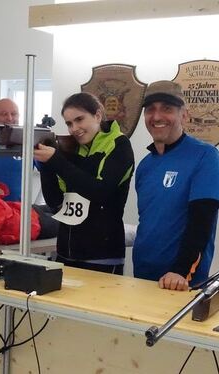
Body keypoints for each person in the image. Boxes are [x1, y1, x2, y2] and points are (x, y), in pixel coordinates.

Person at [132, 80, 219, 291]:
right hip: (142, 275)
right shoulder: (146, 165)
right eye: (150, 110)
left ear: (184, 114)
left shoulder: (205, 156)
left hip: (181, 281)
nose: (156, 117)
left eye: (167, 109)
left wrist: (180, 270)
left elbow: (202, 222)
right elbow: (149, 221)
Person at [33, 92, 134, 275]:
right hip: (65, 254)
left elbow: (100, 192)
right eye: (69, 123)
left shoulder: (119, 145)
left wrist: (56, 160)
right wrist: (46, 165)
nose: (74, 128)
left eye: (80, 119)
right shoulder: (71, 148)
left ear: (97, 115)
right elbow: (56, 202)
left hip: (102, 256)